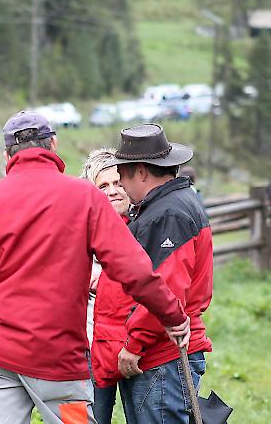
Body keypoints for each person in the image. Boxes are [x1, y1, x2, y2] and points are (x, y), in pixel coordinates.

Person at [0, 111, 191, 424]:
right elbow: (133, 269)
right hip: (57, 356)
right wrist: (173, 316)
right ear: (53, 143)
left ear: (6, 155)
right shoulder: (84, 198)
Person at [110, 124, 213, 424]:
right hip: (166, 351)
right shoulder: (177, 203)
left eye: (123, 177)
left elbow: (166, 290)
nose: (122, 187)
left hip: (161, 356)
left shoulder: (168, 214)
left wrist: (135, 343)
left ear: (141, 172)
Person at [80, 148, 132, 424]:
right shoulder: (79, 233)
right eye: (103, 185)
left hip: (136, 347)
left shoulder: (143, 226)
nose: (112, 191)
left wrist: (111, 281)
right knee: (85, 418)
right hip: (87, 349)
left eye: (118, 183)